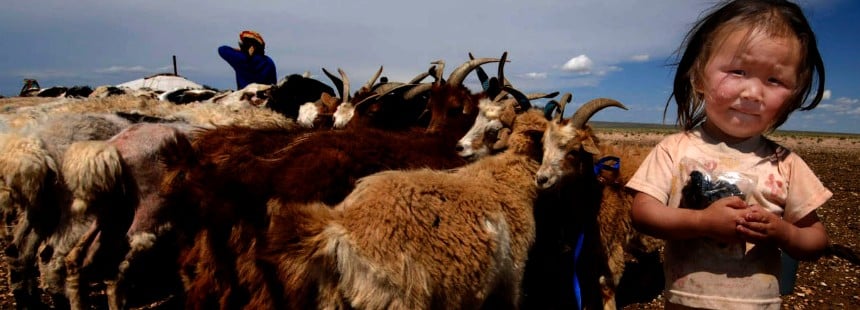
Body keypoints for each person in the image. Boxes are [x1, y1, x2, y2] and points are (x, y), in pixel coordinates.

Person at [626, 0, 830, 308]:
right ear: (699, 78)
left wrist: (783, 232)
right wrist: (703, 222)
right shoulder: (675, 149)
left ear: (793, 95)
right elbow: (643, 213)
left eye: (774, 80)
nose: (752, 93)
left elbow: (816, 239)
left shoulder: (786, 164)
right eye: (738, 71)